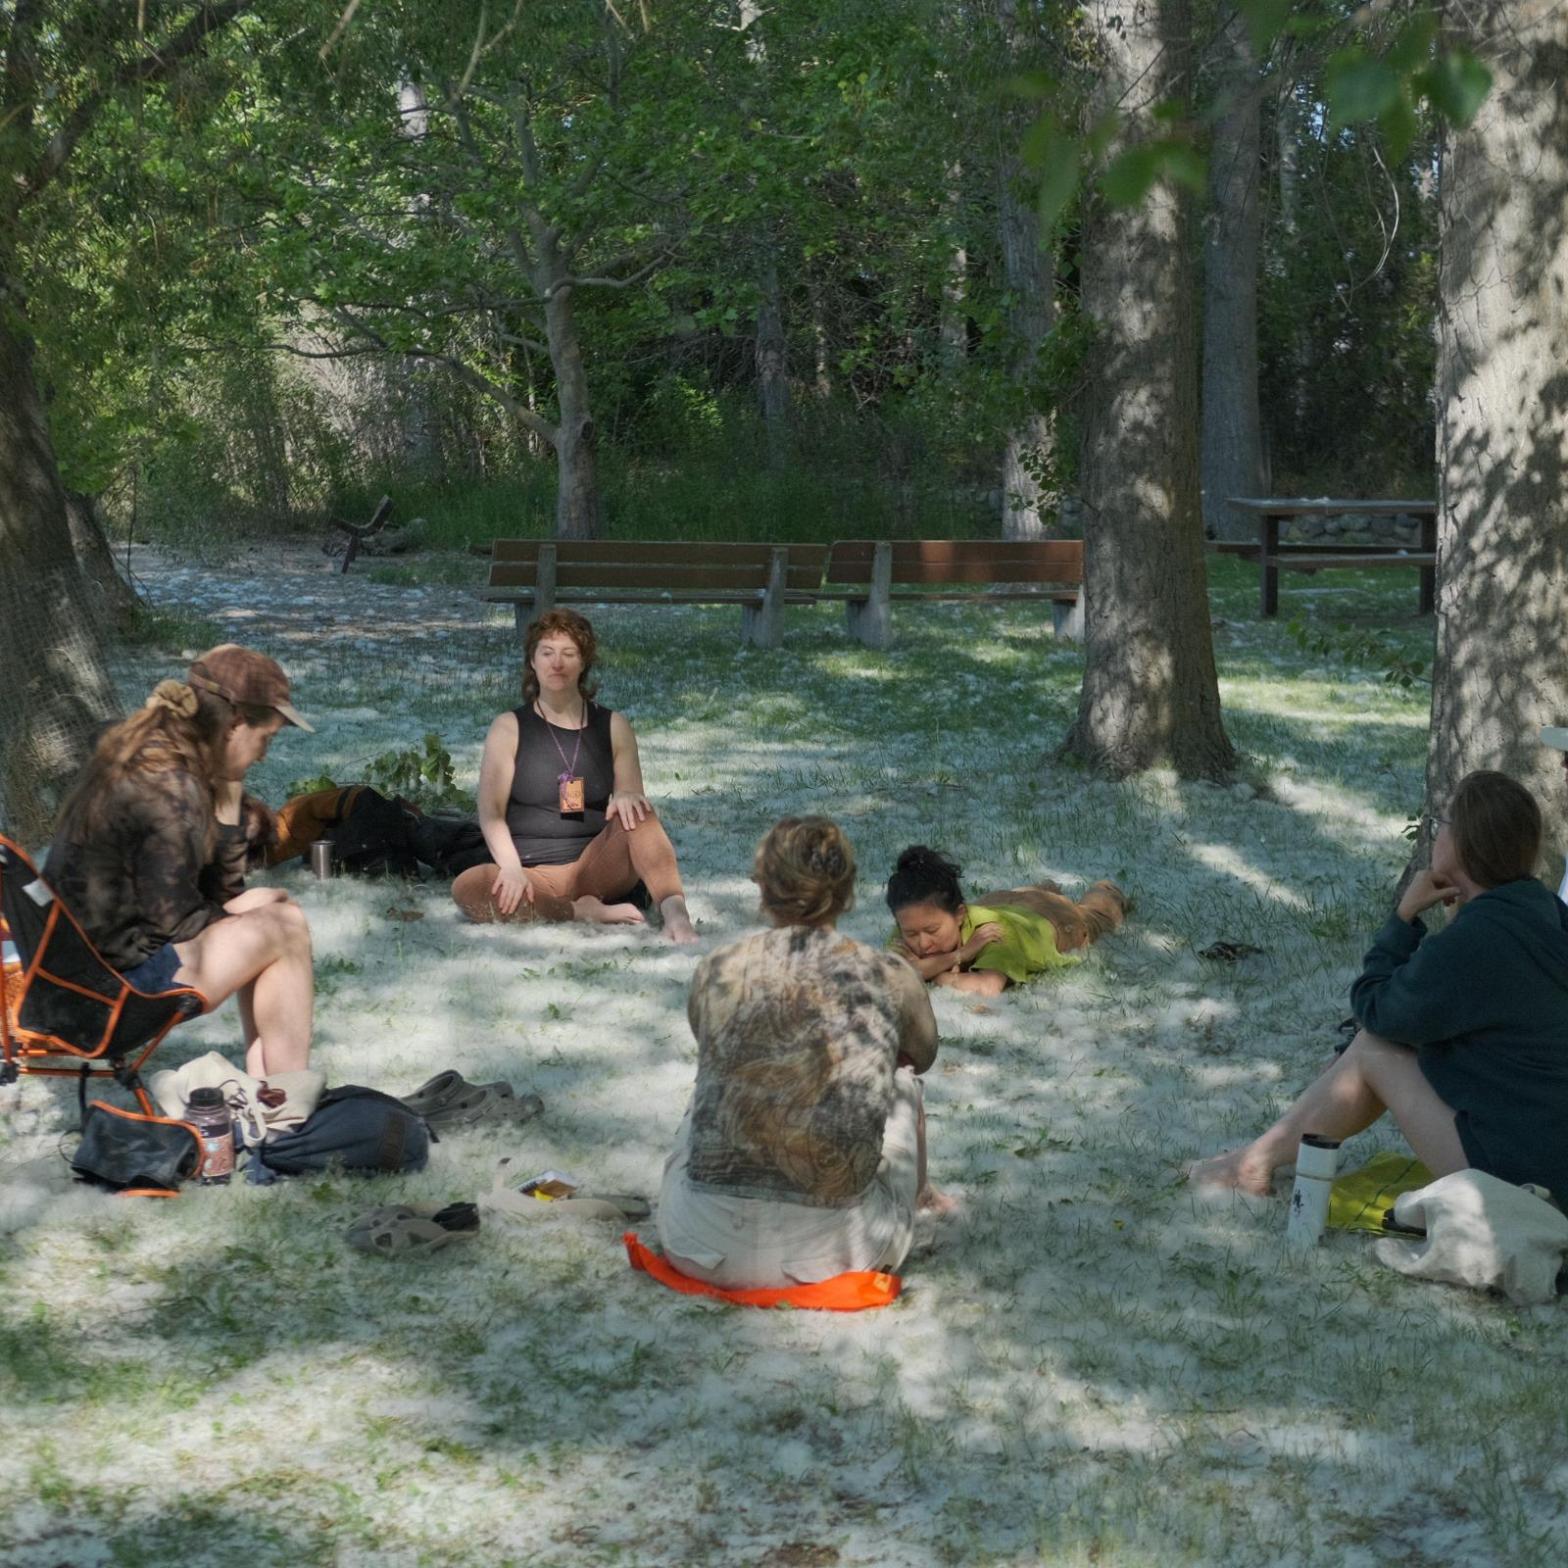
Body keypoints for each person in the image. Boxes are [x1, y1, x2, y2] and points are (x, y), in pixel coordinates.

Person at [1190, 771, 1568, 1200]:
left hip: (1520, 1177)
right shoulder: (1544, 910)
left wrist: (1403, 919)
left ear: (1464, 844)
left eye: (1439, 826)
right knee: (1372, 1046)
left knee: (1372, 1051)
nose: (1435, 837)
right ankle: (1256, 1157)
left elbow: (1376, 1008)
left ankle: (1253, 1163)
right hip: (1550, 1153)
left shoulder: (1479, 939)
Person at [656, 817, 948, 1289]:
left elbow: (707, 1042)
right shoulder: (889, 975)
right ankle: (919, 1198)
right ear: (847, 888)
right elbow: (923, 1053)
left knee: (703, 1096)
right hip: (840, 1254)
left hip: (699, 1244)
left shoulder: (717, 969)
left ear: (763, 887)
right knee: (902, 1077)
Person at [47, 644, 317, 1079]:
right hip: (104, 999)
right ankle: (286, 1103)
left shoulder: (153, 753)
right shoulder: (171, 788)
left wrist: (229, 793)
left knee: (274, 910)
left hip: (77, 982)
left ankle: (273, 1089)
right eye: (266, 738)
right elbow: (174, 922)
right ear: (235, 723)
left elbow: (214, 894)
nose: (264, 755)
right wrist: (234, 911)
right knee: (283, 928)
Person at [451, 608, 697, 943]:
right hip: (533, 873)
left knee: (639, 812)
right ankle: (580, 912)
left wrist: (626, 795)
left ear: (583, 663)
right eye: (547, 653)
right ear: (532, 662)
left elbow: (633, 812)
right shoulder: (508, 727)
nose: (557, 663)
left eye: (569, 654)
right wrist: (509, 868)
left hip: (597, 866)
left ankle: (676, 917)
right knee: (470, 887)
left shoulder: (614, 726)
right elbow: (491, 813)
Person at [885, 845, 1127, 996]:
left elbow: (987, 987)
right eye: (912, 934)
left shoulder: (995, 935)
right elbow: (888, 974)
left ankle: (1106, 888)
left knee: (1094, 913)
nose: (923, 943)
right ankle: (1045, 889)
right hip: (1000, 902)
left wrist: (932, 974)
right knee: (1030, 896)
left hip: (1052, 919)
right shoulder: (913, 922)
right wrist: (957, 956)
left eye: (932, 930)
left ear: (959, 915)